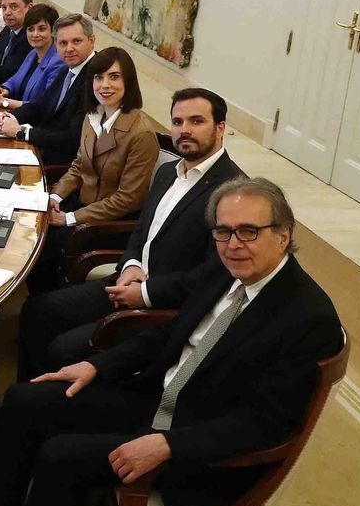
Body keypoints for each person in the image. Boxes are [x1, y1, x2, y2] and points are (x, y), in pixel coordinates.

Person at [0, 177, 343, 506]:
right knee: (25, 399)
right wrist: (96, 365)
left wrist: (167, 444)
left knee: (60, 454)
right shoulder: (228, 268)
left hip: (198, 447)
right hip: (159, 400)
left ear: (284, 234)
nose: (233, 243)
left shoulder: (307, 316)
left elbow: (265, 425)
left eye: (249, 231)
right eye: (223, 231)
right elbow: (171, 332)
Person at [19, 88, 245, 379]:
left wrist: (145, 293)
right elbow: (141, 231)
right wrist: (131, 264)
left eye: (196, 121)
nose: (184, 130)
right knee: (37, 311)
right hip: (126, 283)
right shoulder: (168, 174)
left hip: (164, 309)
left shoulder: (234, 193)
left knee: (62, 349)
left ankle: (46, 402)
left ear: (220, 127)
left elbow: (213, 275)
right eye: (177, 122)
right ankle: (32, 393)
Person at [27, 47, 162, 294]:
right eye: (98, 77)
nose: (104, 85)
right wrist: (55, 197)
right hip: (82, 204)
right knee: (29, 226)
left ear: (128, 82)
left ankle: (44, 305)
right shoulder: (92, 116)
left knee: (39, 244)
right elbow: (79, 165)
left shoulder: (141, 134)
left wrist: (69, 218)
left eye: (114, 77)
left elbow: (128, 199)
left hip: (109, 222)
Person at [0, 12, 99, 166]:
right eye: (63, 43)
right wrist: (10, 117)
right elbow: (40, 105)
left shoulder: (97, 78)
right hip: (40, 150)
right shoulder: (67, 69)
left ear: (91, 41)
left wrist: (22, 132)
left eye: (76, 41)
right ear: (55, 44)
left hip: (62, 166)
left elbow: (74, 138)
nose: (69, 48)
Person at [0, 4, 65, 111]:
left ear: (53, 32)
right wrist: (4, 90)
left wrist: (3, 101)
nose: (35, 34)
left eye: (42, 29)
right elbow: (15, 80)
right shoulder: (33, 53)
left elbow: (42, 106)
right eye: (30, 29)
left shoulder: (59, 62)